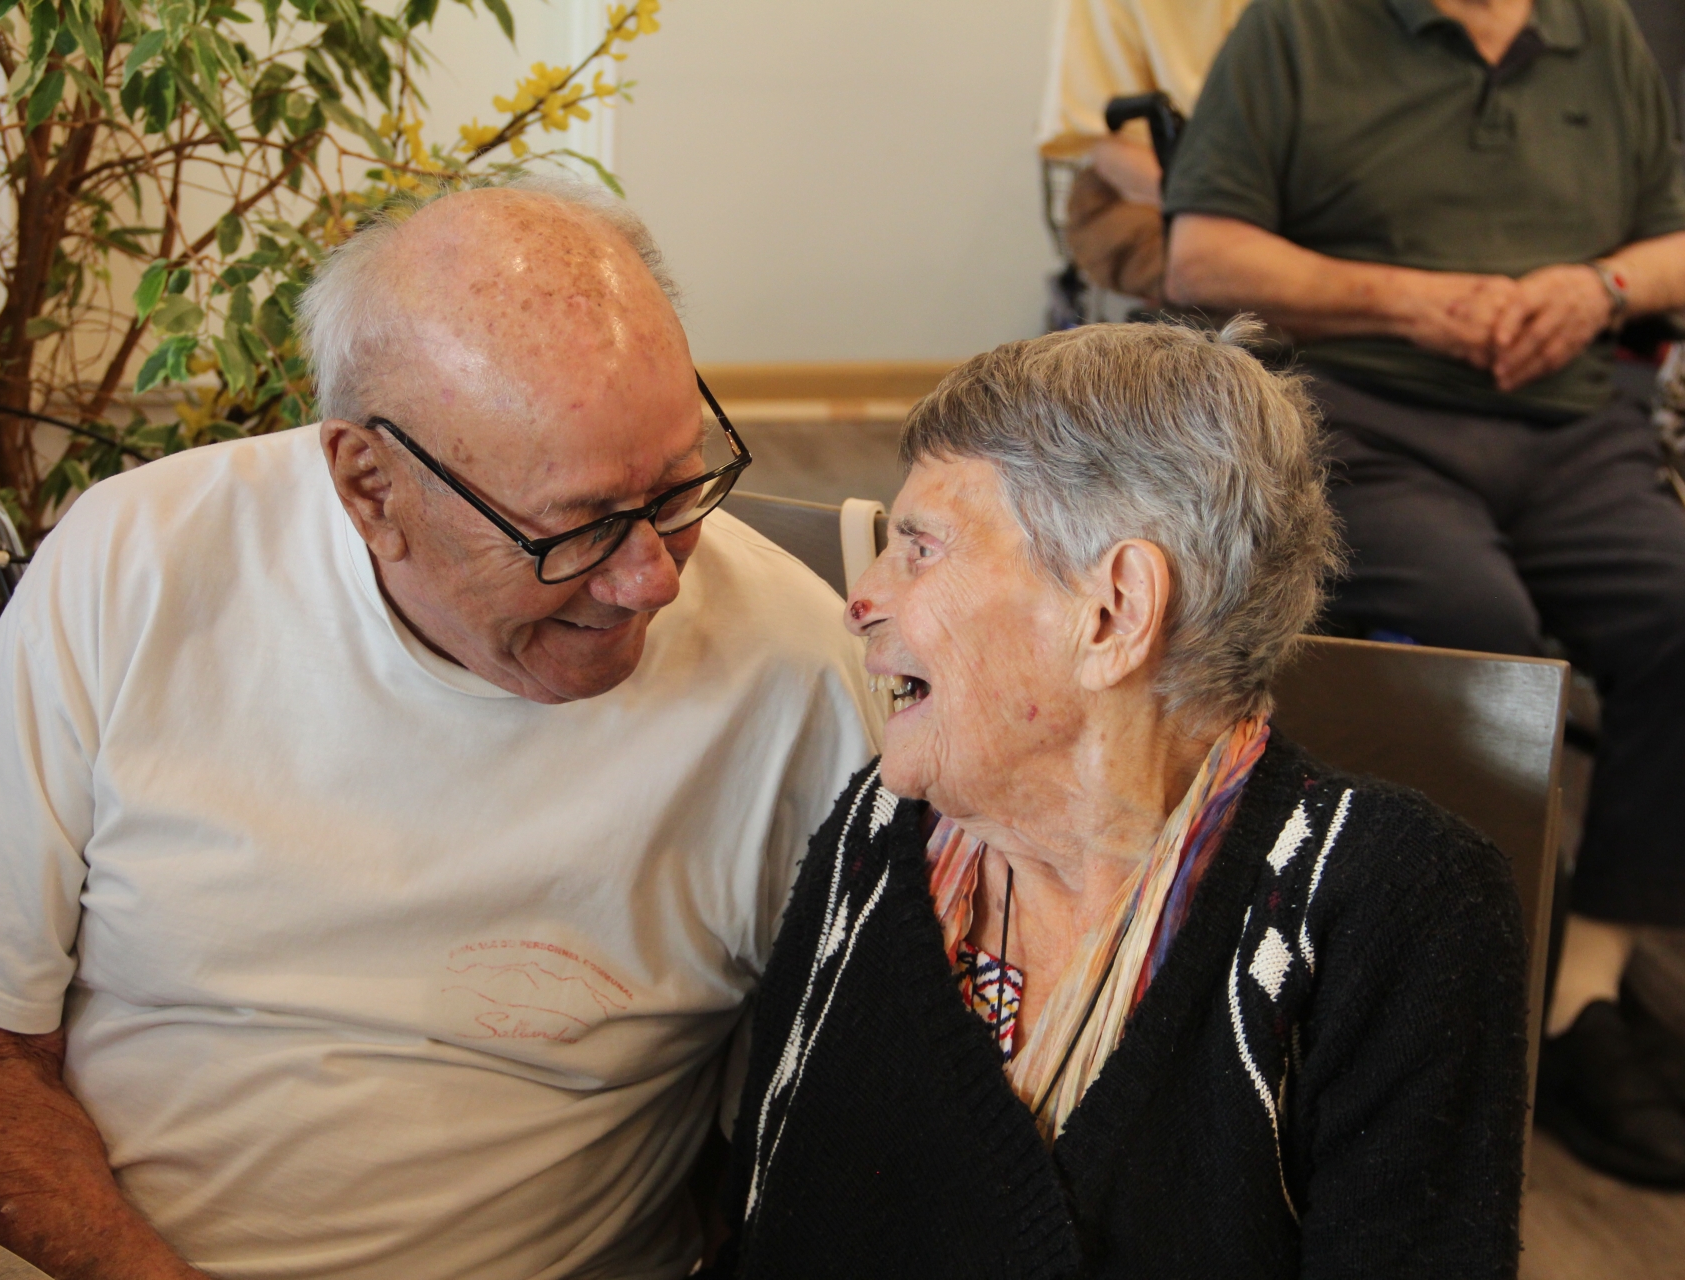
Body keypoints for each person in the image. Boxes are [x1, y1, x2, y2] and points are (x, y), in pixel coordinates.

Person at [0, 181, 878, 1280]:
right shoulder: (140, 563)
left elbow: (867, 1126)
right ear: (369, 484)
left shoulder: (793, 669)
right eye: (579, 529)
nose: (650, 578)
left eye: (678, 489)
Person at [713, 322, 1528, 1279]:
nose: (861, 599)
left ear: (1114, 612)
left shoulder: (1389, 907)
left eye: (920, 550)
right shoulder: (880, 829)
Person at [1161, 0, 1685, 1186]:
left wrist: (1598, 288)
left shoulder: (1599, 32)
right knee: (1480, 642)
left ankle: (1581, 993)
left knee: (1676, 614)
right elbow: (1201, 255)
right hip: (1365, 415)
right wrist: (1418, 299)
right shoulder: (1296, 28)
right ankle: (1468, 1006)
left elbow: (1671, 235)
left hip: (1572, 432)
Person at [1036, 0, 1250, 303]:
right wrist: (1218, 210)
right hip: (1148, 189)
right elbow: (1106, 145)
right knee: (1216, 274)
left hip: (1275, 189)